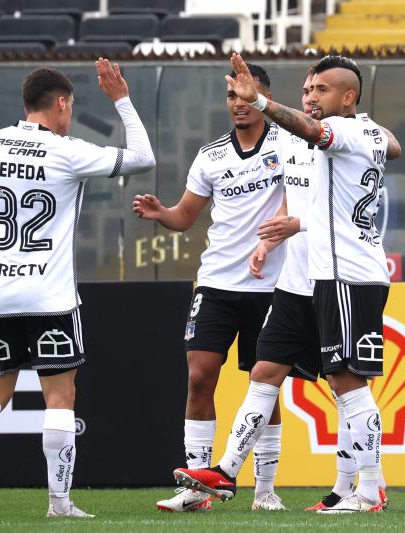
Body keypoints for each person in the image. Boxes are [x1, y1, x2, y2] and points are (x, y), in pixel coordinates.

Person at [174, 52, 396, 514]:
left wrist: (260, 101)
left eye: (323, 90)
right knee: (264, 372)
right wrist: (271, 238)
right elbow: (387, 148)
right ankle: (226, 471)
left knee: (347, 383)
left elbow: (331, 135)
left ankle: (370, 490)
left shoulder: (345, 131)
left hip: (348, 274)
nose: (311, 96)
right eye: (308, 89)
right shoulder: (325, 136)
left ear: (349, 97)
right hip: (303, 278)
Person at [0, 60, 155, 519]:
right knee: (60, 397)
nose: (69, 116)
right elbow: (142, 158)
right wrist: (122, 100)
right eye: (69, 108)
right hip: (51, 299)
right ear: (60, 104)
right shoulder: (66, 150)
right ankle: (59, 502)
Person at [133, 63, 288, 512]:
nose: (238, 103)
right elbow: (185, 217)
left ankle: (265, 490)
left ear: (264, 97)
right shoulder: (211, 155)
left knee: (265, 388)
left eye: (247, 94)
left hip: (273, 286)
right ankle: (196, 487)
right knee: (199, 376)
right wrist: (162, 212)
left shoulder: (289, 143)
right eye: (231, 96)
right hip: (217, 283)